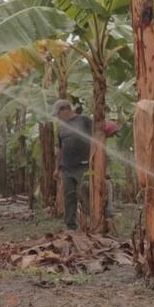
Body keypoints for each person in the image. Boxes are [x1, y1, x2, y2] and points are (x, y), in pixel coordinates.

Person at [53, 99, 92, 230]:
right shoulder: (62, 127)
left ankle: (92, 223)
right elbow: (60, 149)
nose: (58, 117)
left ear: (65, 109)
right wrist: (57, 168)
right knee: (69, 197)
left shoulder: (84, 121)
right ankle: (70, 226)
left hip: (83, 166)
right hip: (67, 168)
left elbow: (97, 140)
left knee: (85, 195)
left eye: (58, 114)